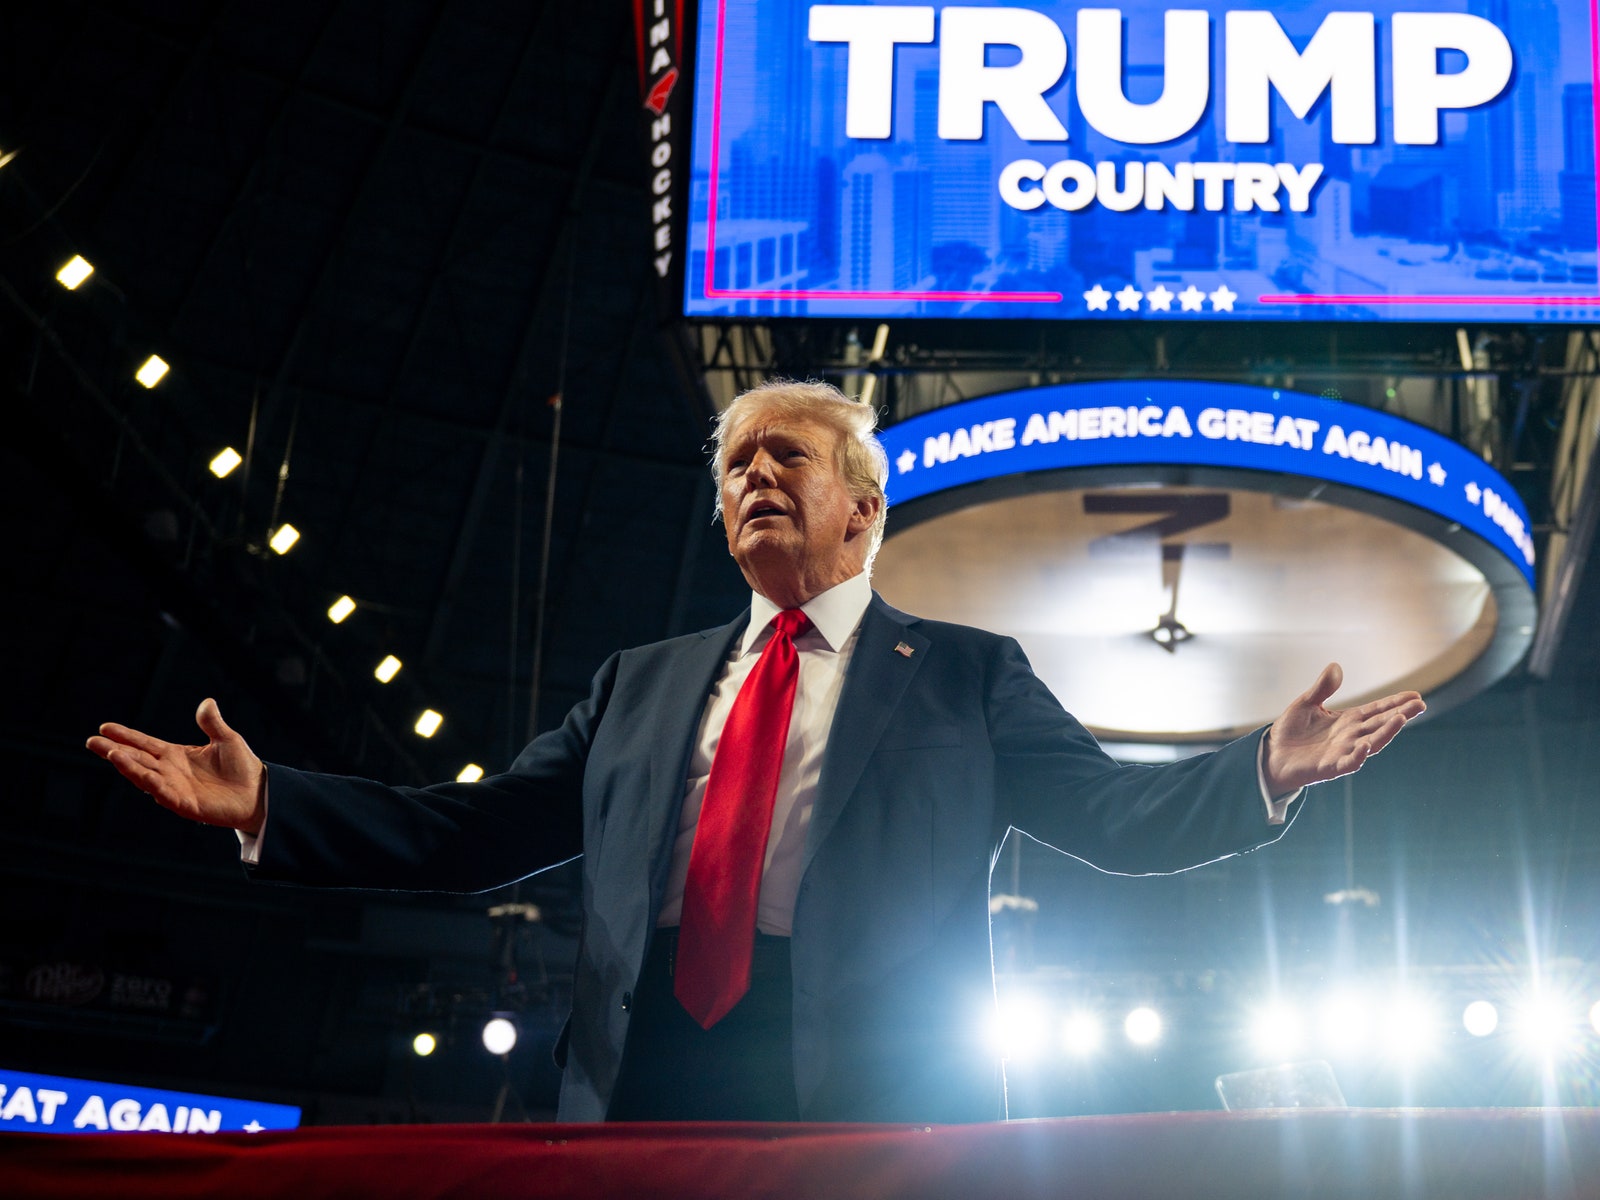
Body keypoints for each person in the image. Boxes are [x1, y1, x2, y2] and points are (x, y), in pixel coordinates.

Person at [87, 380, 1425, 1124]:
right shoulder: (640, 683)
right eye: (735, 466)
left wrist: (1262, 767)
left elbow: (1114, 819)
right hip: (636, 1075)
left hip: (875, 1087)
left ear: (866, 506)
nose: (754, 478)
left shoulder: (962, 670)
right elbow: (474, 829)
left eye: (786, 455)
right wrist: (277, 804)